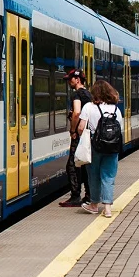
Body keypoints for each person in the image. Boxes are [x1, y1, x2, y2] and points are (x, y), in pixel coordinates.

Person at [78, 79, 123, 218]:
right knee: (108, 176)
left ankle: (94, 205)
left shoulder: (88, 107)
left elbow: (81, 127)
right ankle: (108, 208)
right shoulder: (115, 109)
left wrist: (82, 136)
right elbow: (120, 128)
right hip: (112, 147)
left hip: (94, 146)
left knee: (94, 176)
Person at [59, 69, 92, 207]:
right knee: (85, 164)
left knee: (72, 165)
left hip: (79, 134)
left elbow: (77, 112)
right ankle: (89, 195)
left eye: (70, 79)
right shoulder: (89, 94)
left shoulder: (76, 94)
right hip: (88, 134)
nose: (69, 82)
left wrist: (73, 130)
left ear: (77, 80)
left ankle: (75, 196)